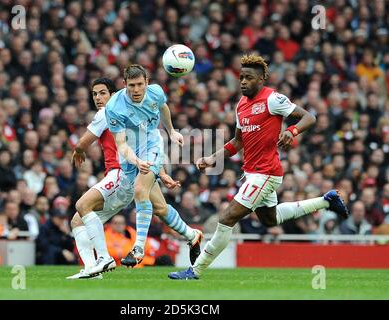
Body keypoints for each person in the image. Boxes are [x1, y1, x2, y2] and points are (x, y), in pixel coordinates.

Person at [169, 54, 349, 280]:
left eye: (249, 78)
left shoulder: (272, 99)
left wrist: (291, 131)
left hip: (265, 173)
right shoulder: (241, 105)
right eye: (241, 77)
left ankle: (195, 271)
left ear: (262, 79)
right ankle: (327, 200)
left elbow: (309, 117)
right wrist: (212, 158)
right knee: (269, 219)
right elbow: (237, 142)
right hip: (252, 173)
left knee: (226, 218)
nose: (243, 82)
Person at [67, 77, 201, 279]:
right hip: (137, 167)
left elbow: (84, 142)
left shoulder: (108, 111)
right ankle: (191, 235)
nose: (98, 98)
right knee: (159, 208)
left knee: (82, 206)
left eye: (103, 92)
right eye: (94, 94)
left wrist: (78, 150)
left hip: (121, 172)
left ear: (113, 95)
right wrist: (162, 173)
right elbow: (145, 142)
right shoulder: (128, 111)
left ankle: (103, 259)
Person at [105, 65, 203, 268]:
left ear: (147, 82)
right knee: (159, 208)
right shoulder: (114, 107)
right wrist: (136, 161)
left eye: (140, 84)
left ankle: (138, 248)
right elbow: (121, 144)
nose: (136, 90)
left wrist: (172, 131)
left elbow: (163, 108)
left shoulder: (156, 92)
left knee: (140, 190)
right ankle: (192, 235)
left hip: (153, 146)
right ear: (124, 85)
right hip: (131, 157)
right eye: (131, 85)